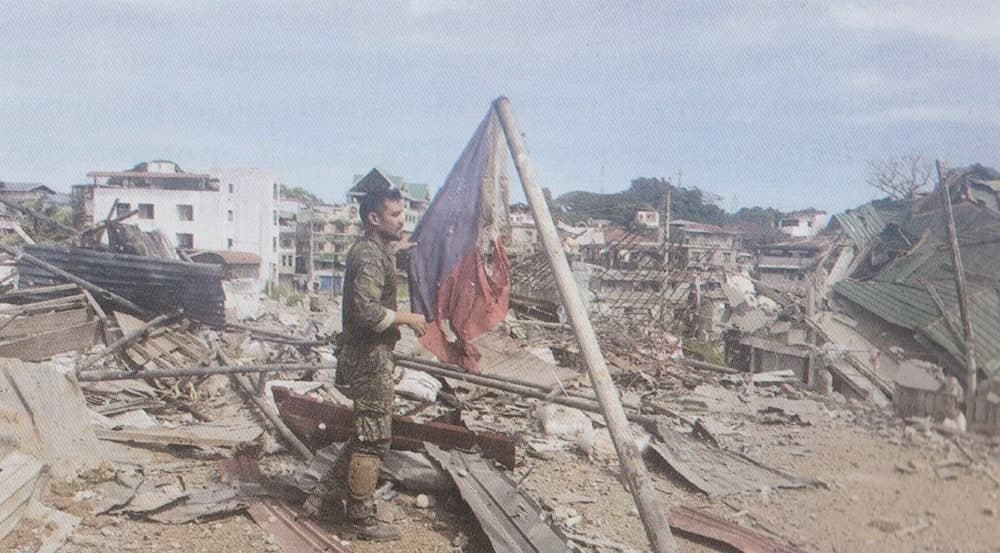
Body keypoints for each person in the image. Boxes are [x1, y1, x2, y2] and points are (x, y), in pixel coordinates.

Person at [304, 183, 426, 541]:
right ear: (374, 218)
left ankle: (324, 500)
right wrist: (408, 318)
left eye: (403, 213)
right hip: (369, 355)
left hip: (367, 354)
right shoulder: (370, 256)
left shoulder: (372, 249)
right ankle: (359, 517)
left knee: (367, 433)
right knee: (373, 438)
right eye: (395, 215)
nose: (402, 220)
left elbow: (376, 262)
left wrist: (394, 249)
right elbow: (367, 311)